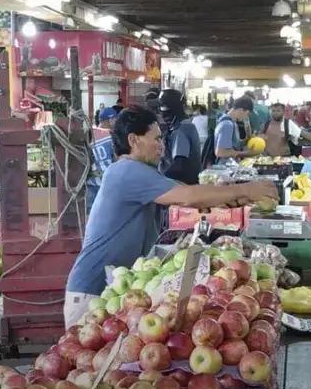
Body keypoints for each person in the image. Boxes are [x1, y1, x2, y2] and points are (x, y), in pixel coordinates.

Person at [64, 106, 278, 326]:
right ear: (133, 140)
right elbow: (187, 197)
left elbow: (188, 192)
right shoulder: (126, 171)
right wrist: (245, 190)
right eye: (156, 139)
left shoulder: (142, 172)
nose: (162, 145)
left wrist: (233, 200)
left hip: (116, 291)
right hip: (93, 292)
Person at [158, 89, 202, 184]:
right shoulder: (184, 125)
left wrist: (159, 180)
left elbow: (179, 164)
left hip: (181, 185)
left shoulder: (181, 130)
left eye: (165, 110)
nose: (163, 115)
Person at [86, 106, 118, 208]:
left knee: (91, 217)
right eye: (115, 119)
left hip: (91, 184)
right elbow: (117, 159)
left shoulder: (88, 133)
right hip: (107, 184)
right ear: (110, 119)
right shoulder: (111, 135)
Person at [213, 96, 256, 161]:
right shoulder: (227, 125)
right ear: (241, 110)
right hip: (225, 167)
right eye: (247, 114)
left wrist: (246, 141)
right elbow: (221, 152)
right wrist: (246, 153)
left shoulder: (231, 122)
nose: (246, 117)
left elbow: (233, 144)